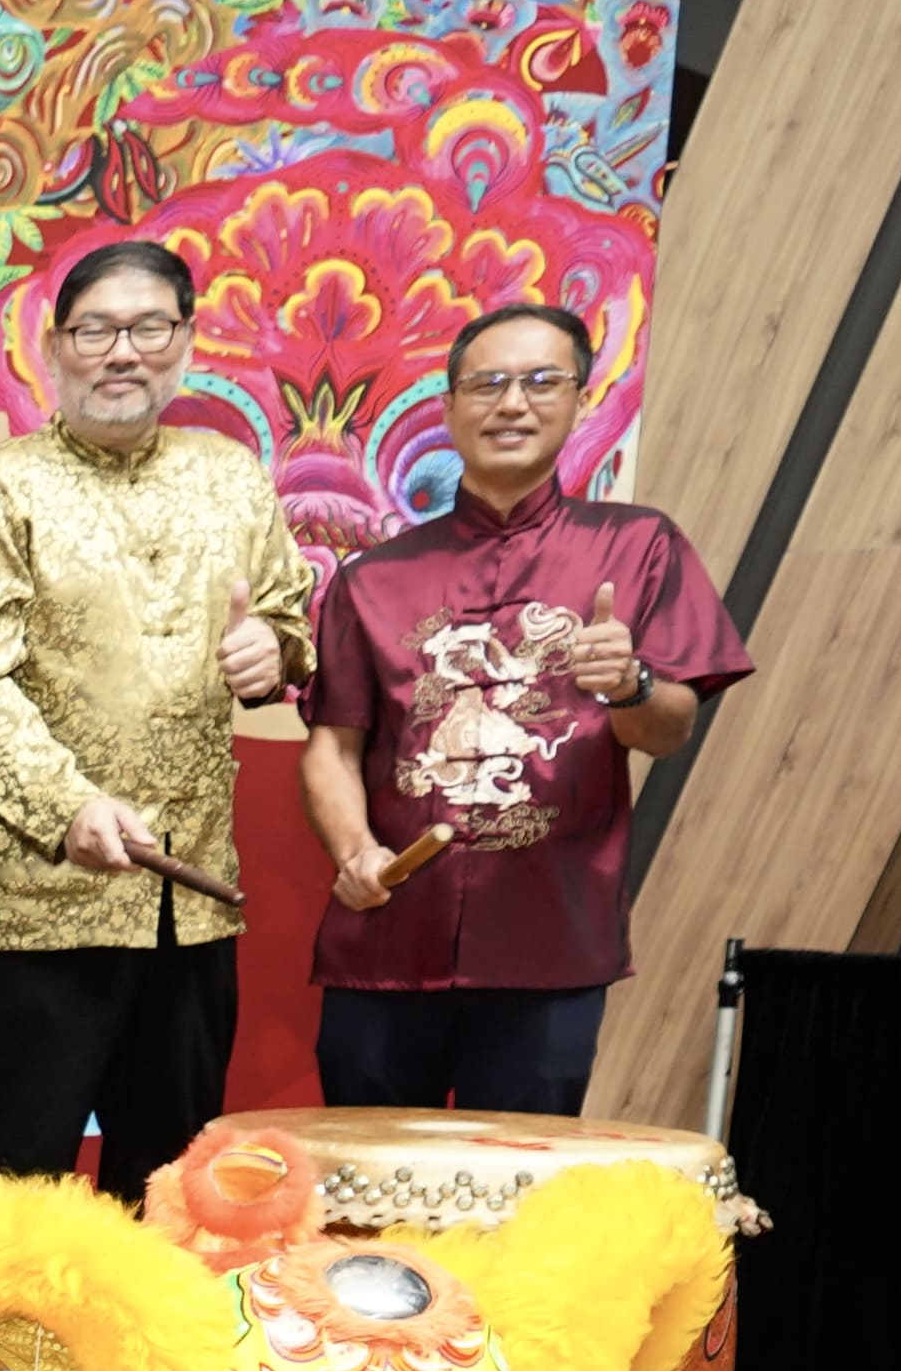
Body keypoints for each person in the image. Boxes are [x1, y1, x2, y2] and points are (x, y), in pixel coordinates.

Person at [0, 239, 315, 1188]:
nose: (122, 351)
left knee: (171, 1184)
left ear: (186, 342)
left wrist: (274, 652)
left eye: (148, 328)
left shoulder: (231, 477)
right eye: (95, 330)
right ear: (54, 348)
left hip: (188, 896)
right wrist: (69, 806)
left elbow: (286, 617)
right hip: (31, 902)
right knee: (11, 1187)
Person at [297, 300, 754, 1115]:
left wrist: (630, 684)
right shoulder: (373, 578)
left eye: (542, 381)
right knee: (364, 1171)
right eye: (488, 384)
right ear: (449, 409)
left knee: (518, 1176)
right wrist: (354, 851)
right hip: (388, 938)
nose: (512, 403)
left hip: (551, 943)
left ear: (581, 399)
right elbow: (333, 746)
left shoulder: (640, 546)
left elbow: (670, 728)